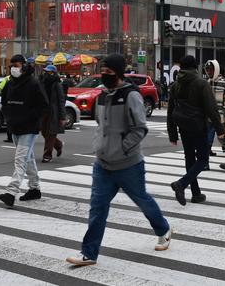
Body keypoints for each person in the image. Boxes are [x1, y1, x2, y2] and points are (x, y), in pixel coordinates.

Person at [66, 54, 171, 266]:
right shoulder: (103, 95)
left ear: (119, 73)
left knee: (142, 200)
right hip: (103, 164)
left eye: (109, 73)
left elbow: (140, 128)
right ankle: (89, 253)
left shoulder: (131, 95)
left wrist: (122, 148)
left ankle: (163, 229)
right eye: (102, 72)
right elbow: (101, 124)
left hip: (128, 164)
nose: (104, 76)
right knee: (98, 207)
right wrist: (100, 147)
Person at [168, 56, 225, 205]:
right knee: (202, 159)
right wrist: (220, 129)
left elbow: (170, 110)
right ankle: (181, 184)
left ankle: (196, 193)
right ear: (195, 67)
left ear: (181, 67)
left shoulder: (176, 85)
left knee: (189, 159)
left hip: (183, 126)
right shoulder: (201, 83)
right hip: (198, 125)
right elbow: (211, 109)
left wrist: (172, 133)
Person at [0, 55, 48, 207]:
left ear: (24, 66)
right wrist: (9, 116)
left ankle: (11, 192)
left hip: (29, 128)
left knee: (20, 159)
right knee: (28, 158)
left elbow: (43, 105)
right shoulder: (10, 83)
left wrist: (29, 118)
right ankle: (34, 188)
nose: (14, 67)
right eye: (11, 65)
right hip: (15, 126)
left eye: (17, 64)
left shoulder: (34, 83)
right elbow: (4, 101)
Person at [203, 60, 225, 158]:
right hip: (208, 115)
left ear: (216, 69)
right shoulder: (207, 82)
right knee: (210, 135)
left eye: (211, 69)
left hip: (219, 115)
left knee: (221, 137)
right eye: (207, 70)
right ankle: (207, 154)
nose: (209, 72)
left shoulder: (223, 83)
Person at [40, 65, 66, 163]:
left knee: (51, 134)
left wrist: (62, 117)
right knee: (44, 132)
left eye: (49, 72)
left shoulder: (57, 84)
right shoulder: (42, 82)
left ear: (54, 73)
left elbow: (61, 101)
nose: (47, 74)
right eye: (46, 72)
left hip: (53, 112)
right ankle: (59, 145)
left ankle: (47, 155)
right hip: (44, 112)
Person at [0, 74, 13, 142]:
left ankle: (10, 137)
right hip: (15, 103)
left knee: (9, 121)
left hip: (7, 102)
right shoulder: (22, 77)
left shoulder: (6, 79)